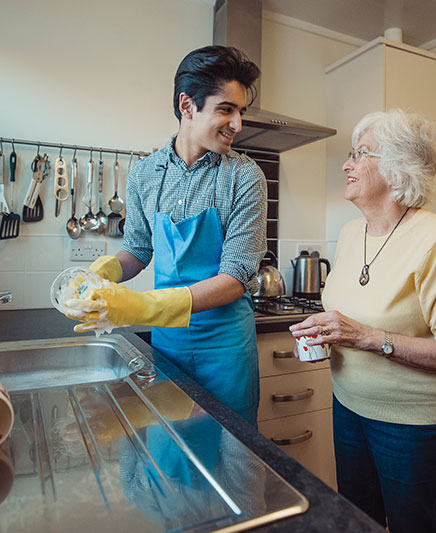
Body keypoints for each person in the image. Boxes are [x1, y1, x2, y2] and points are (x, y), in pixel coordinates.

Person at [289, 109, 436, 532]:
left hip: (413, 422)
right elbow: (354, 312)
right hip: (349, 404)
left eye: (360, 154)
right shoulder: (350, 234)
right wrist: (329, 332)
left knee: (415, 524)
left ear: (397, 169)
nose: (346, 164)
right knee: (358, 519)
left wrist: (367, 337)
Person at [67, 45, 268, 425]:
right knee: (172, 452)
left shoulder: (244, 177)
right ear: (187, 105)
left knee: (231, 457)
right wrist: (105, 271)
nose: (238, 124)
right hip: (169, 346)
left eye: (241, 111)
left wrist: (145, 307)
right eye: (226, 109)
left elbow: (236, 278)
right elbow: (138, 250)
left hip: (226, 349)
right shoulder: (145, 174)